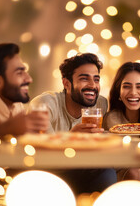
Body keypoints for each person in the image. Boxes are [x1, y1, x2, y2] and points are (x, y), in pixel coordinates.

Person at [29, 53, 116, 194]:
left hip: (83, 170)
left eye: (96, 79)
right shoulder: (45, 104)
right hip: (48, 176)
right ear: (66, 84)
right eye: (84, 79)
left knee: (107, 172)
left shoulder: (101, 103)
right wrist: (70, 138)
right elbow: (42, 155)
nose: (93, 86)